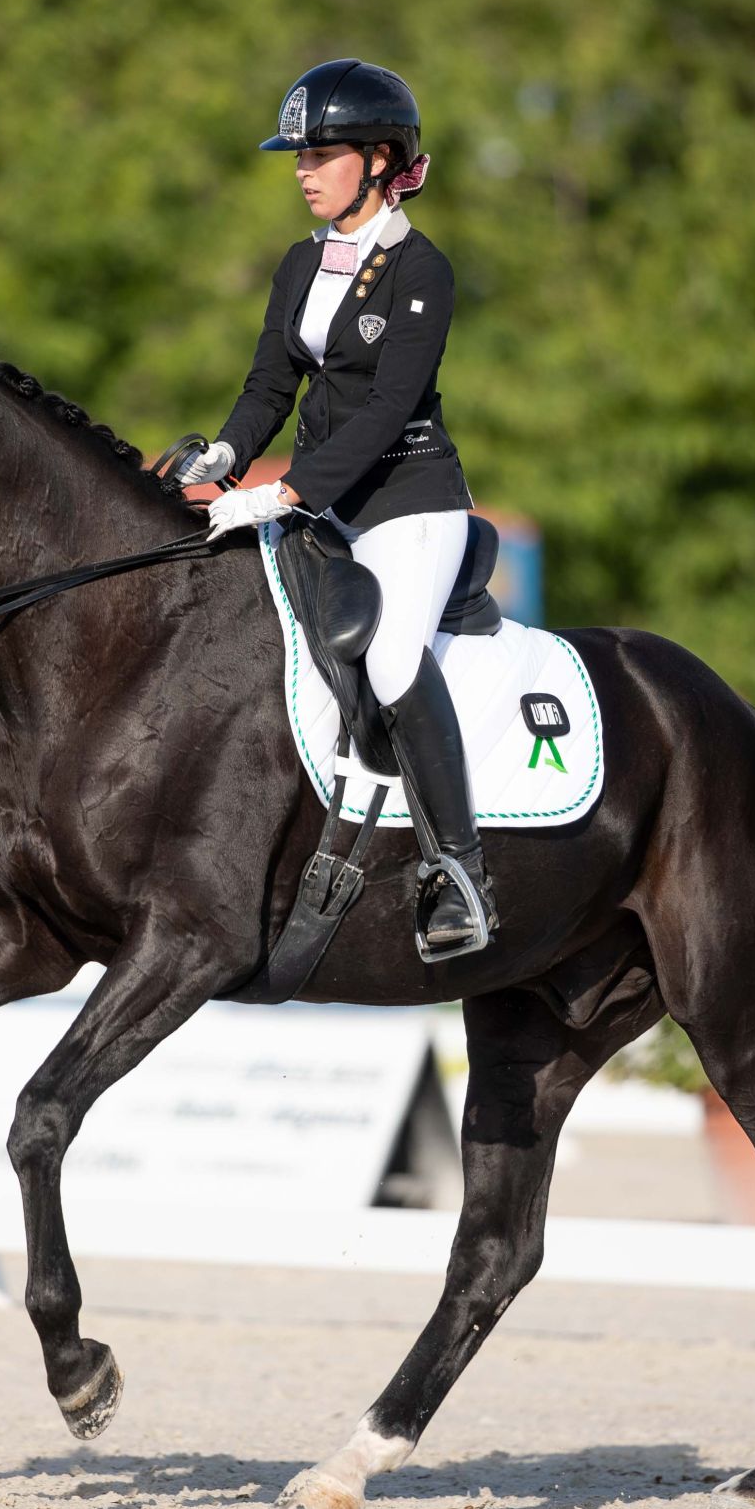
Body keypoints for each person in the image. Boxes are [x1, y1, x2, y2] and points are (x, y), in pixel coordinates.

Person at [172, 58, 493, 955]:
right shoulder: (300, 262)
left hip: (409, 503)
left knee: (390, 656)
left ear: (382, 159)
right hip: (323, 502)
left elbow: (390, 407)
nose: (303, 170)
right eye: (298, 155)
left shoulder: (421, 269)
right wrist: (226, 453)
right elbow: (269, 382)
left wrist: (281, 492)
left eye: (322, 153)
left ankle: (459, 870)